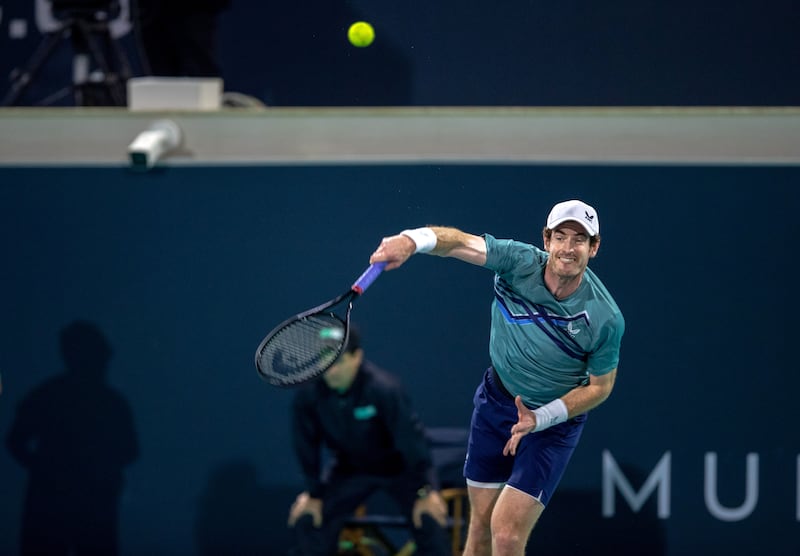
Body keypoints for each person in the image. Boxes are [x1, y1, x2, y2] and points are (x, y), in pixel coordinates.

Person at [368, 199, 625, 556]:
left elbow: (601, 387)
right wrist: (412, 240)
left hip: (552, 424)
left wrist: (540, 418)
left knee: (505, 533)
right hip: (496, 405)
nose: (568, 248)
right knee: (480, 530)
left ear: (593, 248)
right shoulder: (517, 261)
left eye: (579, 240)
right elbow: (458, 242)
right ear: (546, 240)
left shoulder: (604, 317)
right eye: (561, 237)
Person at [287, 326, 450, 556]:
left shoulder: (384, 389)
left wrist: (426, 490)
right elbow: (306, 445)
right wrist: (314, 495)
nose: (330, 370)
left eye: (338, 361)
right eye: (324, 360)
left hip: (400, 469)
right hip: (349, 470)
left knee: (428, 518)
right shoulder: (309, 395)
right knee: (309, 519)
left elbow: (411, 442)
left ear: (356, 357)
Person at [5, 320, 139, 555]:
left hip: (53, 502)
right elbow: (131, 449)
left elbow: (15, 441)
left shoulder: (47, 395)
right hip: (92, 503)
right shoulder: (111, 402)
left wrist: (44, 469)